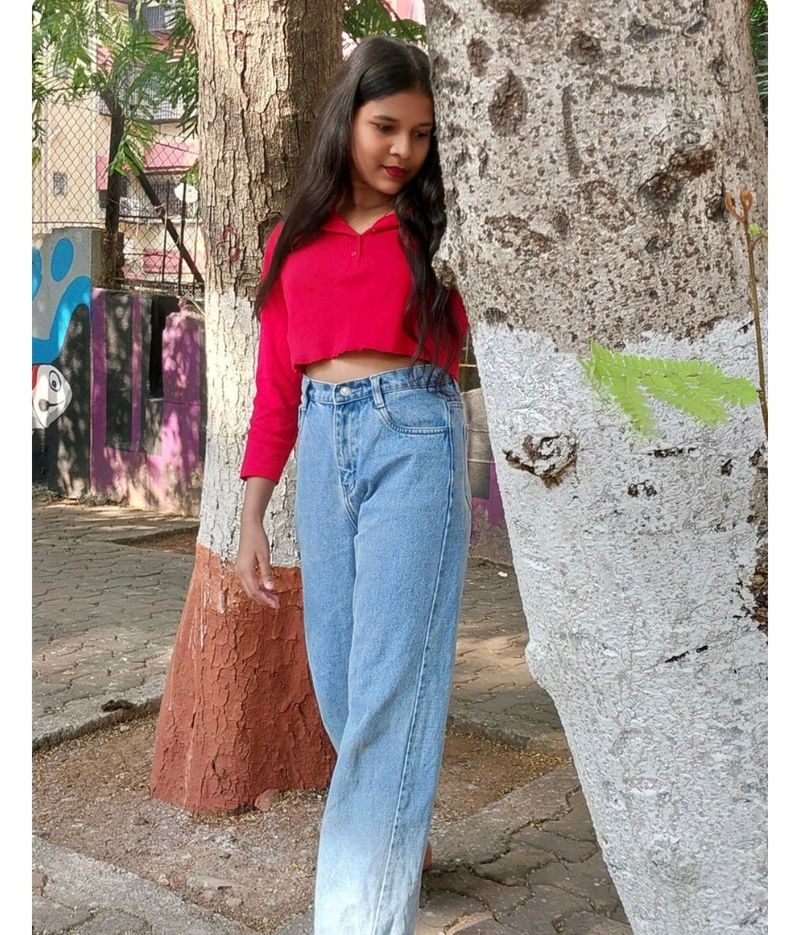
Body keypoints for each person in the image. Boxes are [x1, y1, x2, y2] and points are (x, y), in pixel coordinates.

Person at [234, 34, 472, 935]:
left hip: (413, 436)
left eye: (420, 134)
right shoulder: (291, 240)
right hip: (324, 452)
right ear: (349, 120)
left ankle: (357, 919)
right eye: (385, 126)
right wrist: (253, 515)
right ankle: (391, 853)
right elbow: (272, 392)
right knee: (343, 689)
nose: (402, 150)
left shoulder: (441, 235)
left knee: (385, 697)